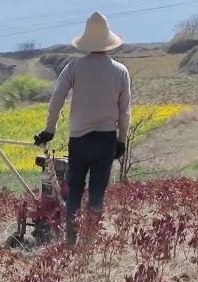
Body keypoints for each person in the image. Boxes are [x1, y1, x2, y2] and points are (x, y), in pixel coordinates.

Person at [34, 12, 131, 246]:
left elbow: (57, 97)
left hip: (79, 140)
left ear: (87, 42)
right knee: (97, 193)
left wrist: (50, 129)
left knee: (75, 190)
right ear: (108, 42)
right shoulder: (120, 71)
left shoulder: (74, 67)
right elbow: (125, 111)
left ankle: (70, 240)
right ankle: (89, 242)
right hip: (106, 140)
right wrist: (121, 140)